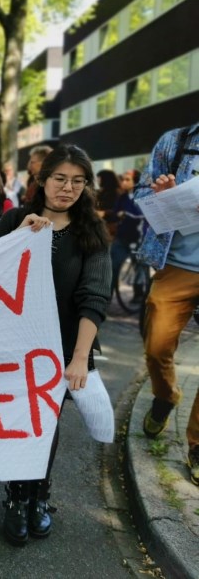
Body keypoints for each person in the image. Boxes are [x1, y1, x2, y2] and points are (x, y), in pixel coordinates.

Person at [0, 144, 111, 545]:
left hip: (60, 351)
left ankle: (37, 496)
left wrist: (79, 359)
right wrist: (16, 240)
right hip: (13, 346)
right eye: (60, 178)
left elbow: (94, 298)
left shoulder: (91, 231)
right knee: (18, 421)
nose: (68, 188)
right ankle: (16, 496)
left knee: (45, 423)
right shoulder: (13, 220)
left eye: (78, 181)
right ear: (42, 180)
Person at [135, 123, 199, 486]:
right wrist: (164, 196)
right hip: (176, 265)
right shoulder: (176, 141)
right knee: (156, 346)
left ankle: (198, 443)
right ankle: (165, 396)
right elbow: (142, 192)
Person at [109, 169, 146, 301]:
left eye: (127, 179)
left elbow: (144, 215)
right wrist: (117, 214)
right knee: (112, 264)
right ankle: (107, 294)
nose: (123, 182)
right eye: (123, 179)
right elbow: (114, 213)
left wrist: (127, 214)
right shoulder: (122, 198)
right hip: (122, 235)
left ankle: (139, 292)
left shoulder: (143, 196)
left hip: (139, 236)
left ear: (136, 181)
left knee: (140, 265)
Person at [95, 169, 121, 239]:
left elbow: (119, 209)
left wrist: (104, 212)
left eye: (99, 178)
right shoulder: (100, 192)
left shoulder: (116, 192)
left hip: (111, 226)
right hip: (102, 225)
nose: (97, 180)